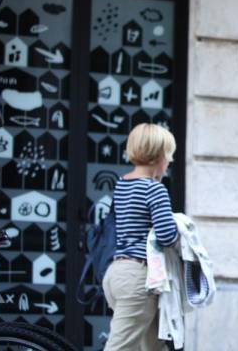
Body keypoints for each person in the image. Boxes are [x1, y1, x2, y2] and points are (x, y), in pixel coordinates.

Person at [103, 123, 179, 351]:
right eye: (169, 156)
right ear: (159, 157)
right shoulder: (155, 189)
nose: (170, 162)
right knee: (120, 347)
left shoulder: (122, 184)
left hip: (117, 273)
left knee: (154, 346)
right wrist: (182, 229)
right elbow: (167, 236)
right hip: (140, 279)